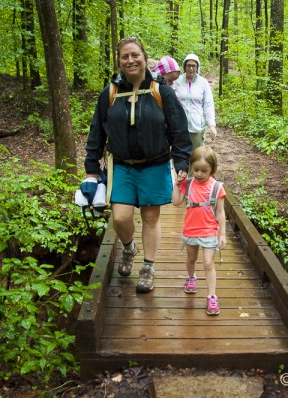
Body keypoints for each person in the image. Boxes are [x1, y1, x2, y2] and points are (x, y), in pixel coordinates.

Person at [82, 36, 192, 293]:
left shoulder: (160, 91)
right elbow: (96, 131)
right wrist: (90, 169)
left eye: (135, 55)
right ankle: (129, 248)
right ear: (119, 61)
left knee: (151, 217)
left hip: (155, 165)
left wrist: (182, 162)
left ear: (144, 57)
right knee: (120, 218)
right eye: (125, 57)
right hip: (121, 166)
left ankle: (148, 267)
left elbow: (179, 130)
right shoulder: (110, 93)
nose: (130, 60)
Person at [171, 145, 226, 315]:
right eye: (195, 170)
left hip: (209, 230)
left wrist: (222, 234)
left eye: (204, 170)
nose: (199, 174)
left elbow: (221, 212)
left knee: (208, 263)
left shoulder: (217, 187)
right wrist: (177, 184)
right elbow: (175, 202)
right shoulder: (187, 184)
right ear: (190, 167)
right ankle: (191, 278)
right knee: (191, 258)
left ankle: (211, 296)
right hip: (191, 230)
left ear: (212, 170)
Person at [174, 54, 218, 149]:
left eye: (193, 66)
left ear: (197, 67)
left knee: (197, 156)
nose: (191, 68)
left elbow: (208, 104)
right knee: (181, 155)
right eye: (188, 65)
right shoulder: (177, 81)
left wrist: (211, 125)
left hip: (197, 127)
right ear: (184, 67)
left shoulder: (203, 82)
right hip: (180, 126)